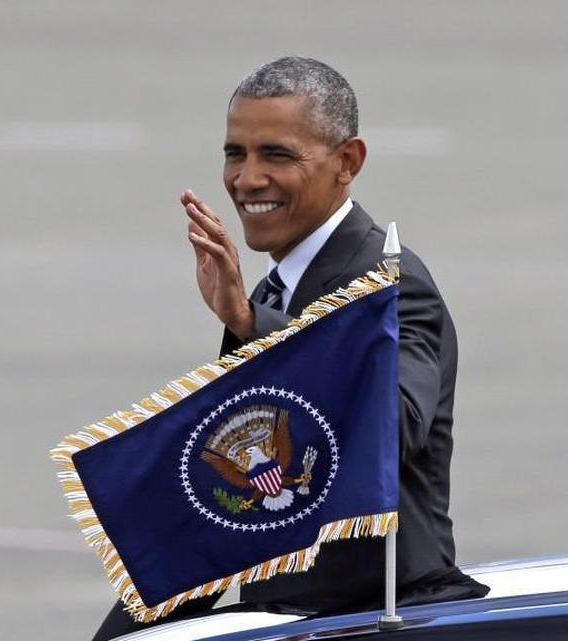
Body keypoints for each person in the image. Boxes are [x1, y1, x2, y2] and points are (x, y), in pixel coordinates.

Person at [92, 56, 486, 641]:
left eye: (276, 155)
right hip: (285, 612)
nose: (247, 179)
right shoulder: (276, 288)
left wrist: (256, 326)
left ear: (346, 162)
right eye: (235, 153)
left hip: (374, 614)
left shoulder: (388, 284)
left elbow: (389, 429)